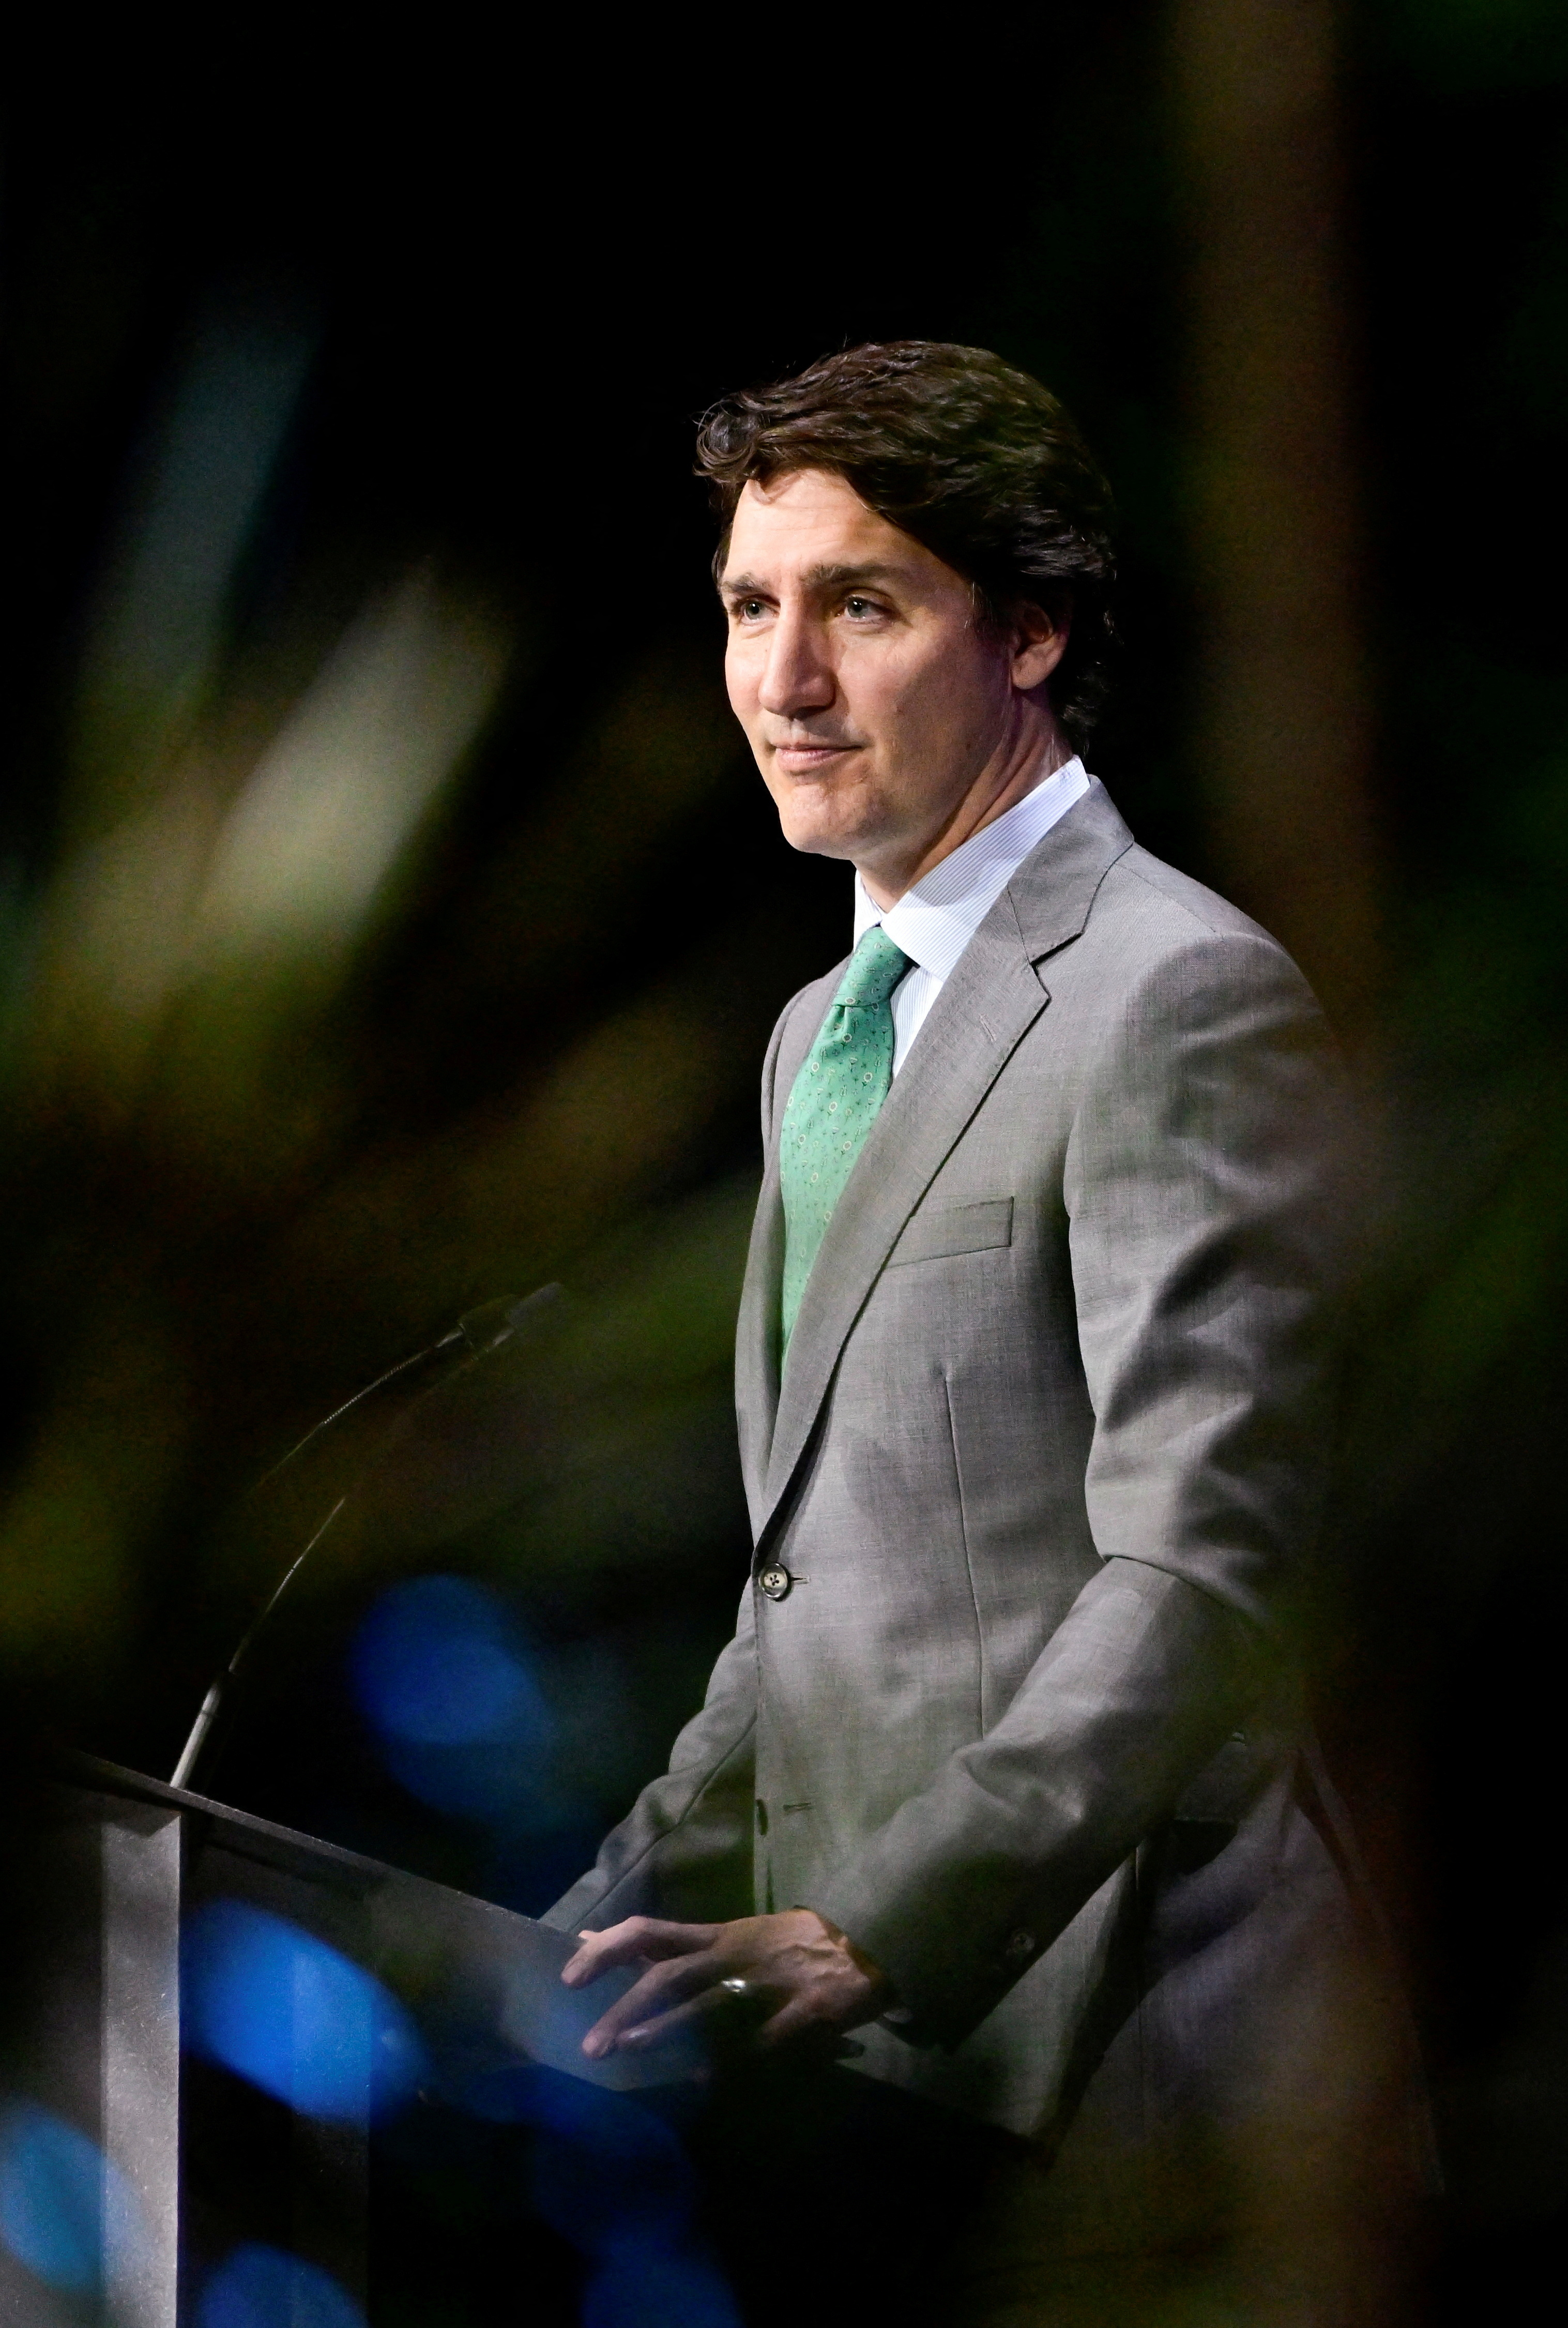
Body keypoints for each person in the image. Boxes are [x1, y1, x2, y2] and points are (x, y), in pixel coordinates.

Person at [547, 341, 1409, 2321]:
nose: (784, 683)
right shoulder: (814, 1040)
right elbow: (810, 1603)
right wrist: (560, 1937)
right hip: (877, 2111)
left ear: (1027, 634)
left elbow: (1201, 1568)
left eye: (861, 605)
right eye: (751, 611)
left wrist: (874, 1923)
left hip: (1132, 2071)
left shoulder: (1171, 996)